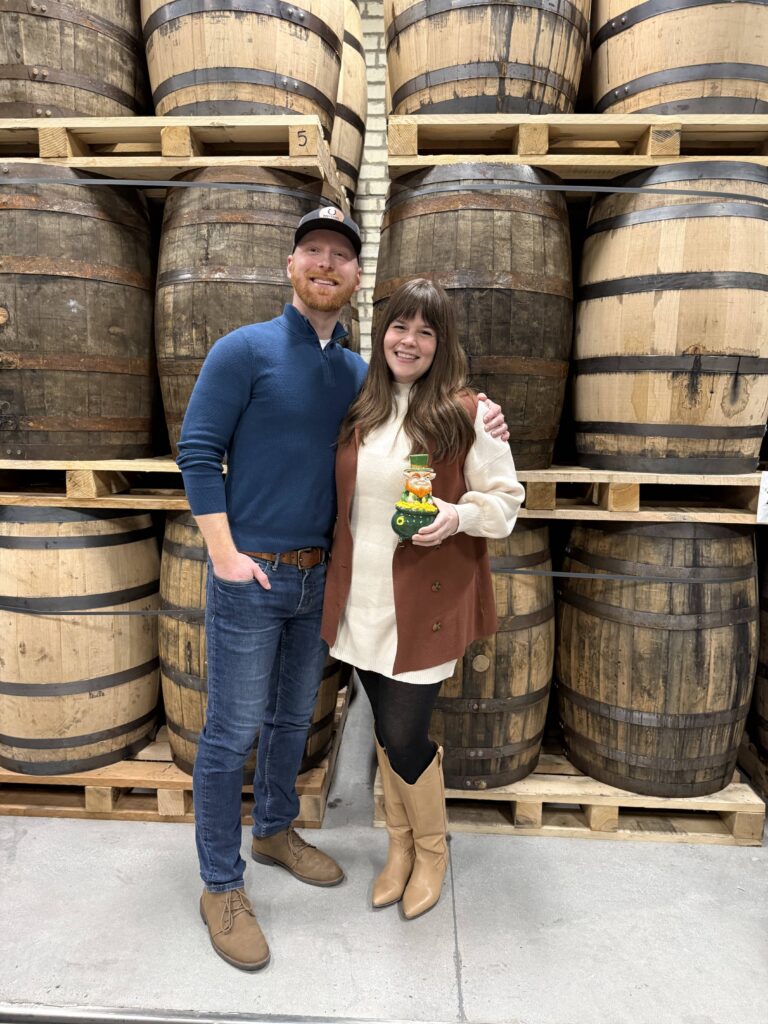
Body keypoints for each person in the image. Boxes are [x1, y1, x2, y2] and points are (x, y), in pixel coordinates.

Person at [176, 207, 509, 971]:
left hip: (319, 578)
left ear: (357, 279)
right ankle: (220, 884)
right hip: (252, 572)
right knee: (230, 733)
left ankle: (274, 831)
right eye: (314, 252)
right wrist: (224, 554)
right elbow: (197, 451)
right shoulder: (243, 350)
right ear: (291, 265)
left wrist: (481, 407)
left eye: (342, 256)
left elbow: (422, 420)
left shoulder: (356, 375)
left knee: (296, 716)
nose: (327, 264)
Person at [321, 278, 525, 920]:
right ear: (382, 334)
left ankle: (432, 851)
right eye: (399, 327)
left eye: (426, 331)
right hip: (362, 600)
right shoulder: (363, 409)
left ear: (442, 343)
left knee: (405, 733)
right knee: (383, 728)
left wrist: (456, 516)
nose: (408, 341)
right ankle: (399, 846)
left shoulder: (467, 414)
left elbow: (507, 504)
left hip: (423, 604)